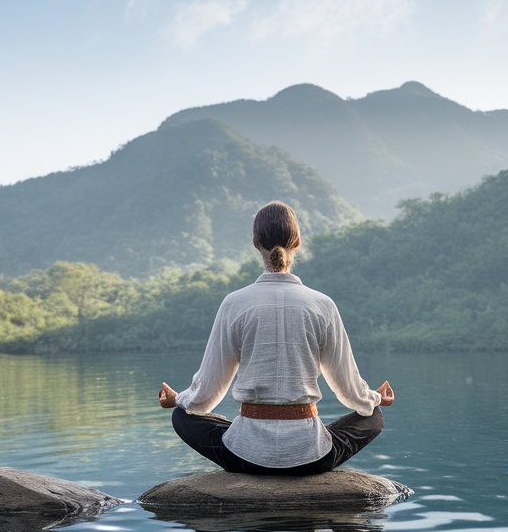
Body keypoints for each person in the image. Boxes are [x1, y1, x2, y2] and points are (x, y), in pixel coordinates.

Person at [158, 201, 395, 475]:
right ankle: (308, 445)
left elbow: (205, 396)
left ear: (255, 242)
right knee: (373, 417)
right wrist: (374, 398)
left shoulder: (234, 303)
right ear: (298, 242)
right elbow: (350, 391)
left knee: (182, 417)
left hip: (245, 457)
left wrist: (178, 400)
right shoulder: (322, 305)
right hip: (312, 458)